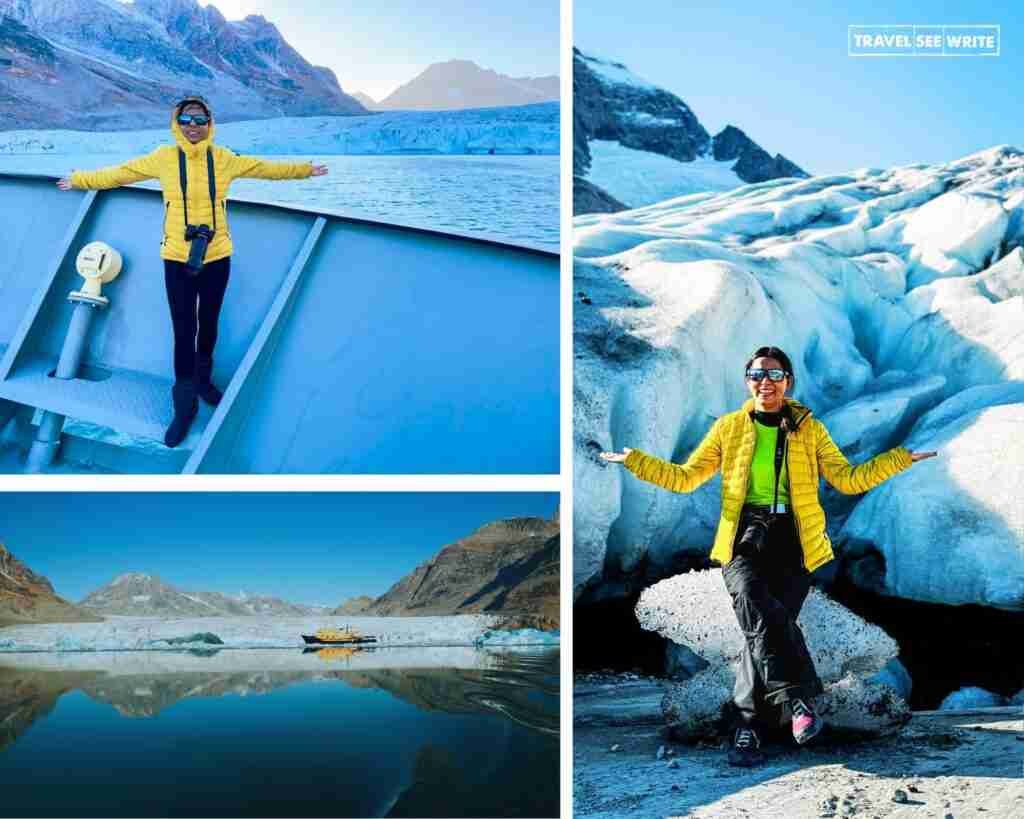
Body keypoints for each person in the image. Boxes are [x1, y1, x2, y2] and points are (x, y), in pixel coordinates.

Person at [601, 346, 937, 767]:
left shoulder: (808, 429)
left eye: (774, 374)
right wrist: (636, 461)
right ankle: (799, 702)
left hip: (793, 540)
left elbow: (848, 480)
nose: (765, 382)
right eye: (757, 374)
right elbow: (686, 479)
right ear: (747, 381)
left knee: (757, 635)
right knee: (756, 606)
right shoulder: (729, 428)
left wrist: (899, 459)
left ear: (788, 382)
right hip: (744, 538)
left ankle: (746, 729)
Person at [58, 95, 329, 447]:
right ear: (176, 123)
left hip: (218, 256)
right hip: (177, 258)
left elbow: (266, 169)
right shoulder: (164, 158)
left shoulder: (224, 159)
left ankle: (204, 381)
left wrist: (305, 170)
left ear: (210, 123)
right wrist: (80, 180)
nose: (193, 126)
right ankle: (183, 404)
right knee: (184, 329)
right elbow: (120, 173)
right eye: (186, 119)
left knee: (210, 324)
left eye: (200, 120)